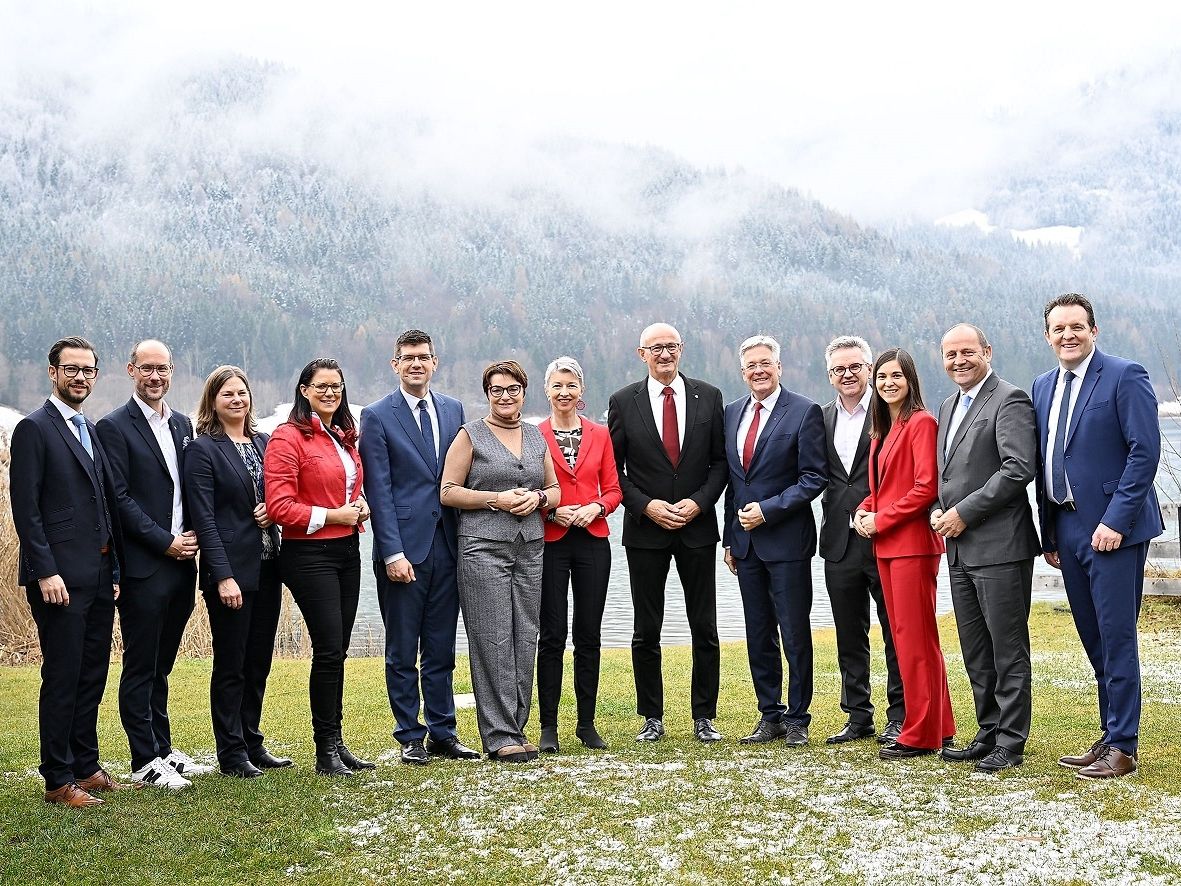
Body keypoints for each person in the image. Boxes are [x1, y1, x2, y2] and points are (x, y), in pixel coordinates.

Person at [1032, 293, 1163, 780]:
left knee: (1116, 636)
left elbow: (1144, 453)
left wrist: (1115, 521)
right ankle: (1110, 734)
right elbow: (1047, 459)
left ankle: (1123, 747)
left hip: (1113, 529)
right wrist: (1049, 533)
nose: (1068, 335)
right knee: (1093, 637)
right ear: (1048, 336)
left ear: (1094, 330)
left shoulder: (1125, 375)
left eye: (1077, 326)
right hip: (1066, 527)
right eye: (1059, 328)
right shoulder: (1042, 385)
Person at [10, 337, 128, 806]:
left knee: (92, 674)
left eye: (88, 370)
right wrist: (45, 571)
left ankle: (85, 765)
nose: (80, 377)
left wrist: (113, 568)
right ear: (53, 372)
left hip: (98, 574)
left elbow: (104, 506)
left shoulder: (89, 429)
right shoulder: (34, 429)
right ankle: (58, 779)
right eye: (71, 369)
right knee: (63, 676)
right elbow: (27, 509)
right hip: (58, 578)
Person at [359, 330, 480, 765]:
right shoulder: (376, 416)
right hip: (404, 550)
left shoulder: (453, 409)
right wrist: (392, 553)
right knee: (402, 649)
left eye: (423, 357)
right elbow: (379, 490)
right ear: (395, 364)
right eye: (408, 357)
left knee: (441, 647)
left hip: (448, 544)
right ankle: (410, 735)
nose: (416, 364)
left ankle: (443, 732)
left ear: (434, 362)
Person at [608, 322, 727, 743]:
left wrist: (699, 503)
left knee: (704, 626)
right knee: (646, 628)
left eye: (671, 346)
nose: (664, 354)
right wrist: (646, 505)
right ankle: (651, 717)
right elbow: (614, 471)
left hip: (698, 528)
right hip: (646, 530)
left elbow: (720, 463)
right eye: (655, 348)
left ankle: (704, 717)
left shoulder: (708, 396)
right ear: (641, 354)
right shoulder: (623, 401)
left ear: (682, 349)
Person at [96, 339, 206, 788]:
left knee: (162, 664)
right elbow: (119, 499)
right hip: (146, 564)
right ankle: (144, 760)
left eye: (162, 369)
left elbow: (190, 487)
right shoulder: (113, 427)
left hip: (183, 564)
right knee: (140, 665)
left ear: (172, 371)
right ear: (131, 371)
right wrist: (166, 543)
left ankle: (163, 749)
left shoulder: (182, 424)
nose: (155, 376)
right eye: (147, 368)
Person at [932, 324, 1040, 773]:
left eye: (967, 352)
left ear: (987, 351)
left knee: (1007, 648)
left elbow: (1018, 469)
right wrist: (939, 511)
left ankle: (1011, 741)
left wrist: (963, 512)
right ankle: (988, 731)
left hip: (1000, 546)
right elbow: (948, 475)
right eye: (950, 354)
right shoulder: (947, 406)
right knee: (976, 649)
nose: (959, 361)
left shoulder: (1009, 399)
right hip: (959, 549)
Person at [440, 361, 561, 762]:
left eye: (513, 389)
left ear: (524, 392)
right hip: (483, 547)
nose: (505, 396)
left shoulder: (536, 435)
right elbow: (448, 491)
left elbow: (554, 489)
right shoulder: (470, 435)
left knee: (525, 635)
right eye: (497, 390)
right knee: (492, 637)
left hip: (530, 546)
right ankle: (498, 735)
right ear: (487, 394)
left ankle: (517, 727)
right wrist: (497, 499)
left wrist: (539, 499)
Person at [265, 358, 373, 777]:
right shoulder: (288, 437)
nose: (331, 393)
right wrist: (333, 516)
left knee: (338, 650)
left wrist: (359, 505)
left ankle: (338, 743)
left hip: (347, 550)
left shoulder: (342, 436)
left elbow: (345, 490)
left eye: (337, 386)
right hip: (308, 556)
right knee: (328, 649)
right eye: (322, 386)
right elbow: (279, 507)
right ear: (304, 390)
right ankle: (324, 749)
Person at [722, 334, 827, 746]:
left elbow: (813, 478)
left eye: (765, 363)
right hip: (745, 544)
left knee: (794, 632)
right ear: (742, 371)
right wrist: (729, 539)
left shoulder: (804, 411)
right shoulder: (732, 413)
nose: (759, 370)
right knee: (758, 631)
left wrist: (768, 510)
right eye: (751, 365)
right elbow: (735, 483)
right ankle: (771, 715)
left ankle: (798, 718)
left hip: (787, 542)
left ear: (779, 366)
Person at [184, 365, 285, 778]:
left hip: (269, 566)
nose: (236, 399)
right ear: (213, 400)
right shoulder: (202, 449)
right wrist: (222, 576)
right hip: (231, 571)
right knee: (231, 664)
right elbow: (204, 518)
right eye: (227, 394)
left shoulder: (264, 442)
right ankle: (231, 752)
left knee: (258, 661)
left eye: (242, 392)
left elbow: (282, 492)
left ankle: (252, 742)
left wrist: (273, 510)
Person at [855, 348, 955, 760]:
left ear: (910, 379)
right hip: (888, 547)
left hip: (913, 545)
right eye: (881, 377)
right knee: (907, 638)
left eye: (896, 375)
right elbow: (884, 488)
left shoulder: (921, 423)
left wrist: (881, 519)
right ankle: (939, 726)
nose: (888, 383)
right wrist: (864, 510)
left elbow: (925, 488)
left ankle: (920, 733)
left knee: (916, 640)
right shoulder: (884, 428)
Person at [818, 336, 905, 747]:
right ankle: (857, 715)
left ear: (869, 369)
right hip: (838, 540)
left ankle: (899, 714)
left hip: (887, 534)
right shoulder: (820, 417)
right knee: (849, 633)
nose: (848, 374)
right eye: (839, 369)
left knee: (895, 630)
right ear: (830, 375)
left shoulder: (891, 410)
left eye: (855, 367)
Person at [536, 356, 623, 753]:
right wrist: (550, 511)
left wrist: (597, 507)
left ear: (581, 390)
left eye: (571, 385)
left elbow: (614, 489)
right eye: (557, 385)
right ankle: (548, 726)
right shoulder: (533, 435)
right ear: (546, 390)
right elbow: (530, 487)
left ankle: (586, 724)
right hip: (551, 541)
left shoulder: (600, 434)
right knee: (552, 635)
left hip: (592, 540)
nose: (564, 392)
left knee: (589, 634)